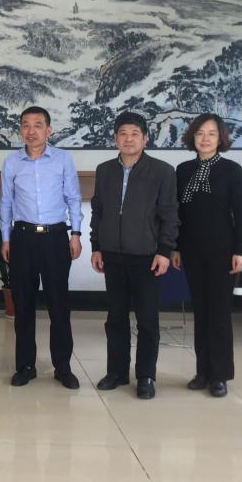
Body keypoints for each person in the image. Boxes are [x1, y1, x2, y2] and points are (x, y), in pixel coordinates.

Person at [90, 111, 179, 399]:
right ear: (115, 138)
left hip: (146, 256)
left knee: (147, 320)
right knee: (115, 318)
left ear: (145, 138)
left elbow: (169, 215)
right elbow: (98, 211)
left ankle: (146, 376)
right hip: (112, 255)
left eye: (134, 134)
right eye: (123, 134)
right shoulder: (105, 170)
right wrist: (96, 246)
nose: (128, 139)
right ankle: (116, 372)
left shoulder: (162, 171)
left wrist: (164, 251)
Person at [0, 106, 83, 389]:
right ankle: (25, 366)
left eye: (37, 125)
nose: (31, 130)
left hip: (55, 237)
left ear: (49, 130)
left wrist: (76, 234)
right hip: (22, 238)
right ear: (20, 130)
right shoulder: (11, 162)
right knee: (23, 305)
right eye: (25, 125)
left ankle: (63, 367)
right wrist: (6, 239)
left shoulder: (62, 159)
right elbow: (6, 203)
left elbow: (73, 198)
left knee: (59, 305)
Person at [171, 113, 242, 398]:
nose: (205, 139)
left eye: (211, 134)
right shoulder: (182, 170)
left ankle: (220, 375)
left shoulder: (231, 170)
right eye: (200, 133)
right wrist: (175, 247)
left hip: (223, 252)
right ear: (192, 136)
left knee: (219, 314)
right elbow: (177, 214)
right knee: (201, 312)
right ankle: (202, 371)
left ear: (221, 138)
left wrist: (240, 250)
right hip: (191, 251)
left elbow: (240, 214)